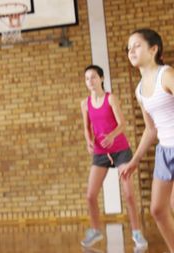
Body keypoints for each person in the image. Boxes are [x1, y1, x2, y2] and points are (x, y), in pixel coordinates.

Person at [80, 65, 147, 248]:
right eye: (87, 78)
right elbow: (87, 127)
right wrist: (88, 141)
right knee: (90, 195)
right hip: (101, 152)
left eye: (93, 77)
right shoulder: (85, 103)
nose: (90, 81)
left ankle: (137, 232)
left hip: (120, 150)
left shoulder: (111, 99)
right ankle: (95, 230)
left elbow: (122, 124)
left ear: (101, 79)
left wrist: (111, 135)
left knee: (129, 194)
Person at [120, 28, 174, 253]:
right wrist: (135, 160)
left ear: (154, 49)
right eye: (129, 47)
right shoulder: (140, 89)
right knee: (158, 210)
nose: (131, 50)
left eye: (137, 45)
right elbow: (150, 130)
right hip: (164, 151)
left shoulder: (167, 74)